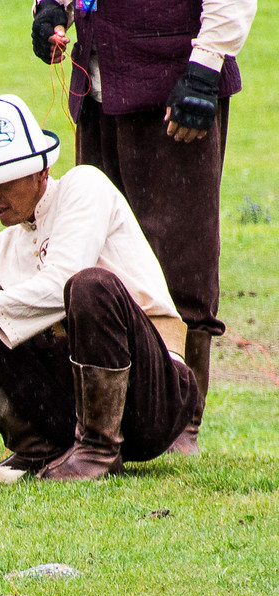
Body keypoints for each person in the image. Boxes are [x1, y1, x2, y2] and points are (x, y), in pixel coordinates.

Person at [0, 95, 199, 480]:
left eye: (3, 181)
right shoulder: (4, 246)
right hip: (69, 405)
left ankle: (99, 450)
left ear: (41, 170)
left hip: (153, 399)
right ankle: (36, 447)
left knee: (89, 286)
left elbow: (62, 281)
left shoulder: (85, 186)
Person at [30, 0, 257, 455]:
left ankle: (181, 416)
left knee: (180, 251)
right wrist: (51, 8)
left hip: (175, 89)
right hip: (98, 84)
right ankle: (104, 416)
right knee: (94, 253)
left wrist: (206, 67)